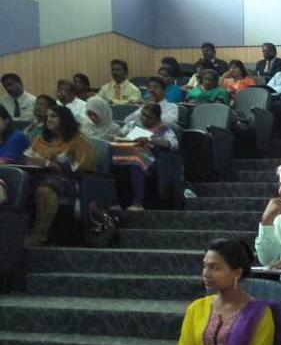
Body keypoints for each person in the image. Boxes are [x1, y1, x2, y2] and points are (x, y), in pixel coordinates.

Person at [23, 105, 97, 246]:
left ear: (65, 119)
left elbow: (84, 167)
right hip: (37, 176)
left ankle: (39, 234)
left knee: (44, 189)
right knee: (20, 186)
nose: (49, 120)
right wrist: (47, 163)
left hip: (68, 181)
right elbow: (27, 159)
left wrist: (54, 164)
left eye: (53, 116)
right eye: (47, 117)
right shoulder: (39, 139)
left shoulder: (78, 141)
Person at [111, 103, 179, 210]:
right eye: (142, 114)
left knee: (136, 162)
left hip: (153, 159)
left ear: (157, 119)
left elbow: (173, 144)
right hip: (128, 154)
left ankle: (137, 204)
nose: (144, 118)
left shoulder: (163, 128)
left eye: (149, 117)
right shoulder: (133, 124)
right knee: (116, 161)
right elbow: (120, 135)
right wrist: (119, 137)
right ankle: (119, 202)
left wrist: (151, 140)